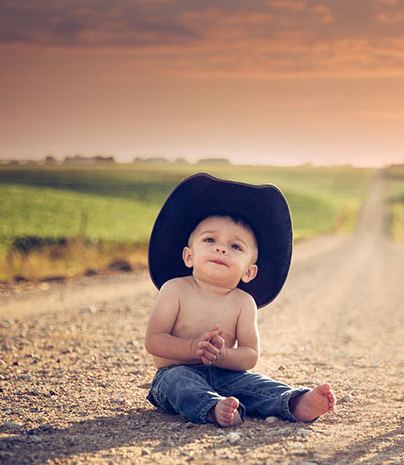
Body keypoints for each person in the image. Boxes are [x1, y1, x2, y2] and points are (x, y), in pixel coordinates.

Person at [143, 173, 335, 427]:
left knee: (256, 384)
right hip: (176, 370)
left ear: (249, 272)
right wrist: (192, 350)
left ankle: (295, 403)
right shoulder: (175, 290)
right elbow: (154, 341)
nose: (221, 248)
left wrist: (220, 355)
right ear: (188, 256)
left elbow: (249, 355)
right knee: (177, 384)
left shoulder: (243, 302)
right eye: (210, 240)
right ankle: (212, 407)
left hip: (227, 375)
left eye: (236, 247)